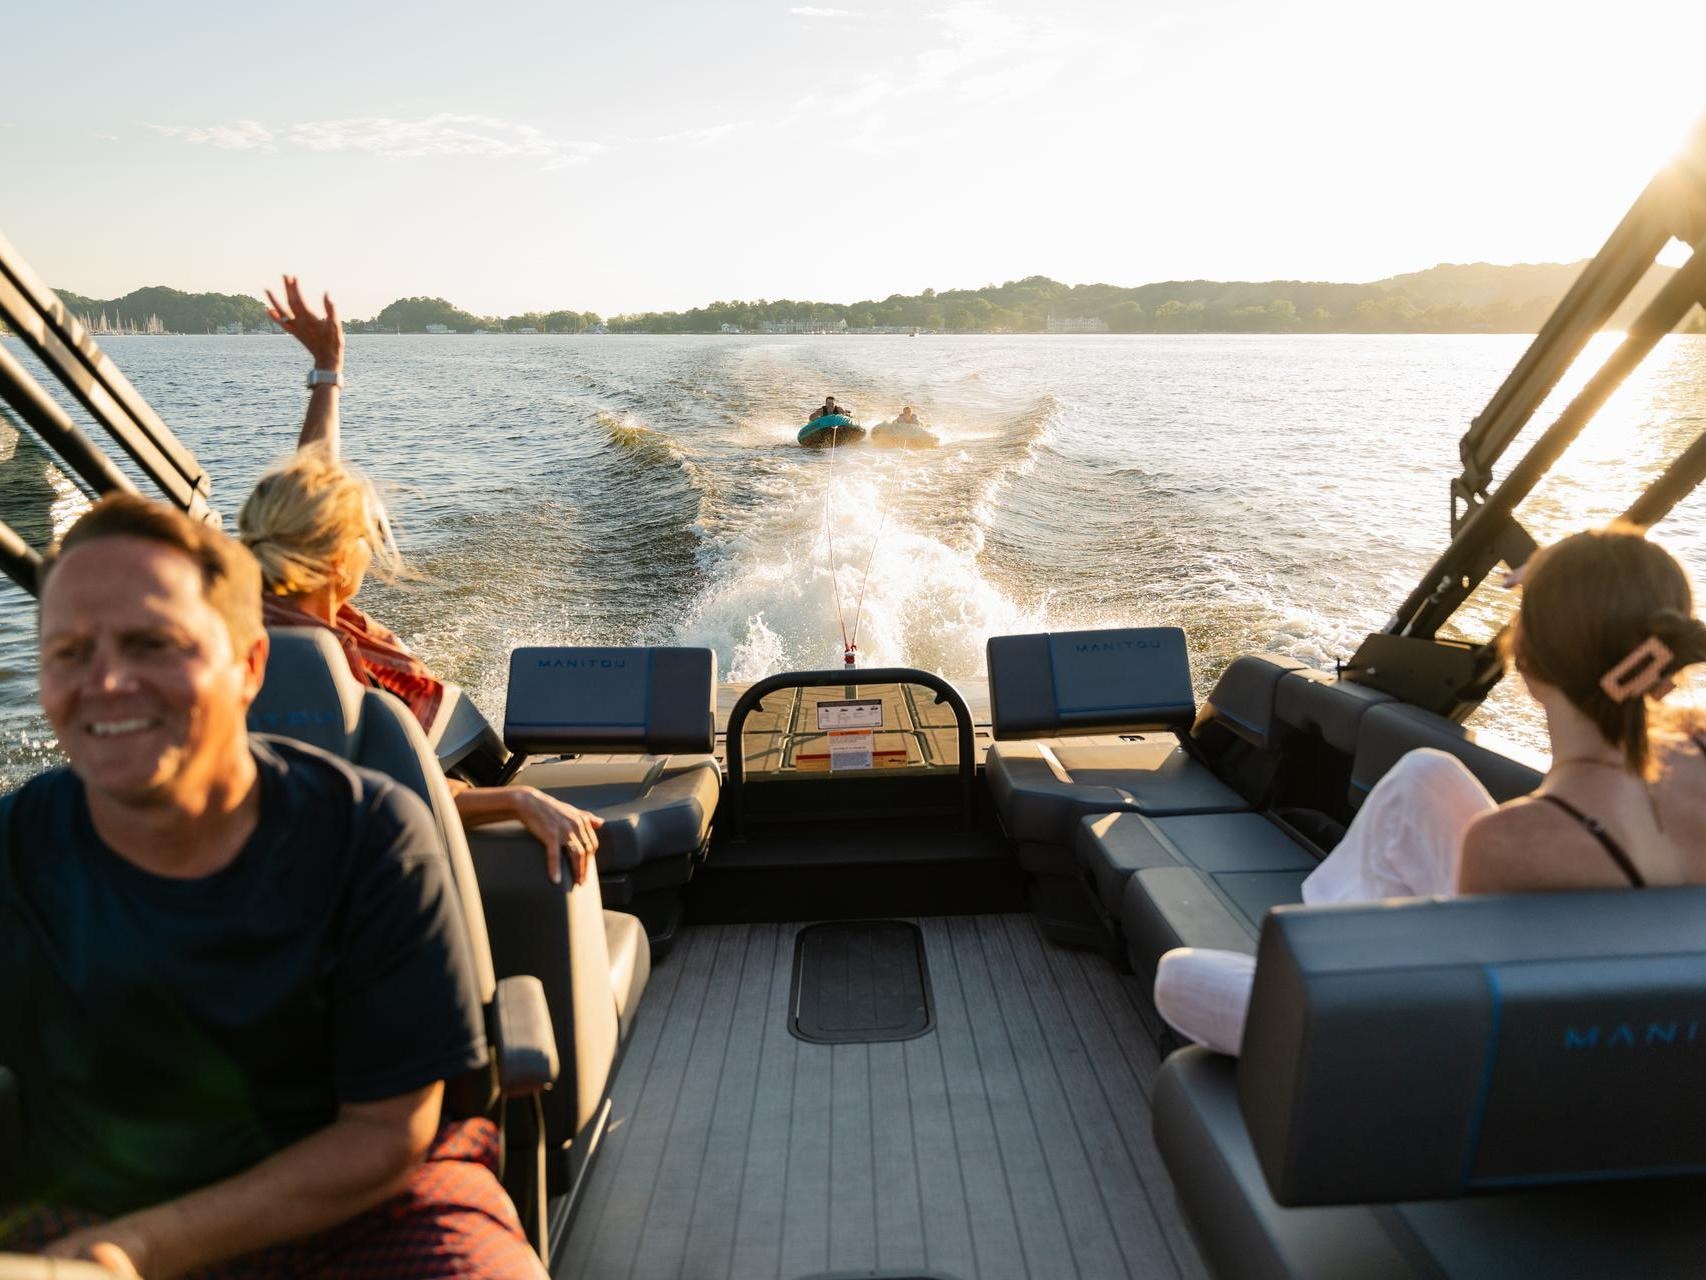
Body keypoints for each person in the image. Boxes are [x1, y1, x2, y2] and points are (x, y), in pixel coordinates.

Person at [0, 495, 545, 1278]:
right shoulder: (16, 852)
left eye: (153, 643)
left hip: (366, 1208)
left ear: (248, 665)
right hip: (90, 1205)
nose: (107, 682)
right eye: (69, 652)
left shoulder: (369, 838)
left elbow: (387, 1133)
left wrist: (135, 1252)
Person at [1154, 523, 1706, 1055]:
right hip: (1642, 1029)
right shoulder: (1693, 755)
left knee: (1179, 977)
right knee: (1425, 776)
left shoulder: (1516, 842)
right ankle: (1323, 951)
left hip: (1504, 1058)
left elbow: (1465, 1011)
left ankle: (1319, 982)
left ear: (1527, 658)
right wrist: (1572, 590)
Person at [248, 277, 600, 887]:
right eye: (363, 537)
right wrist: (517, 801)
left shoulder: (255, 609)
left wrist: (328, 371)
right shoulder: (330, 670)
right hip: (404, 860)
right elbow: (404, 797)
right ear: (338, 562)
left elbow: (310, 484)